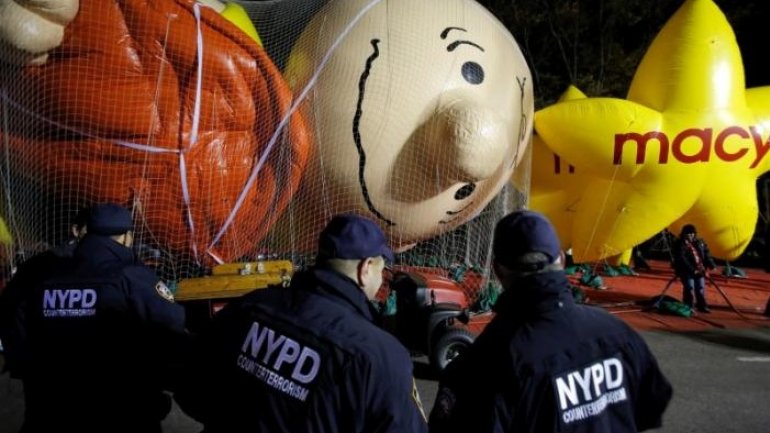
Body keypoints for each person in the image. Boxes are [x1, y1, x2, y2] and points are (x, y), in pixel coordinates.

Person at [174, 214, 428, 432]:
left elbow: (191, 392)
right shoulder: (381, 357)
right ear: (366, 268)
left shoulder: (251, 306)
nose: (381, 279)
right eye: (381, 270)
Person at [429, 210, 672, 433]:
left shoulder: (484, 363)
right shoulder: (617, 333)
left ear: (498, 271)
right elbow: (650, 407)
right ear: (562, 261)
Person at [15, 203, 188, 433]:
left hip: (51, 413)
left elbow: (18, 334)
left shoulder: (44, 278)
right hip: (122, 413)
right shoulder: (133, 278)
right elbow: (173, 332)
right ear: (127, 237)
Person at [0, 206, 89, 378]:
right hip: (44, 360)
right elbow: (13, 305)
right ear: (76, 230)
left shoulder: (111, 270)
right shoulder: (44, 265)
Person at [673, 224, 716, 313]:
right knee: (689, 287)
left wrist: (711, 264)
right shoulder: (680, 244)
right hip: (687, 270)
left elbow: (707, 254)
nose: (691, 236)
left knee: (700, 287)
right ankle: (688, 306)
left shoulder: (700, 242)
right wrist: (693, 270)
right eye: (688, 234)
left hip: (700, 269)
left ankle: (702, 306)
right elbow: (682, 259)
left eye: (692, 234)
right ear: (684, 234)